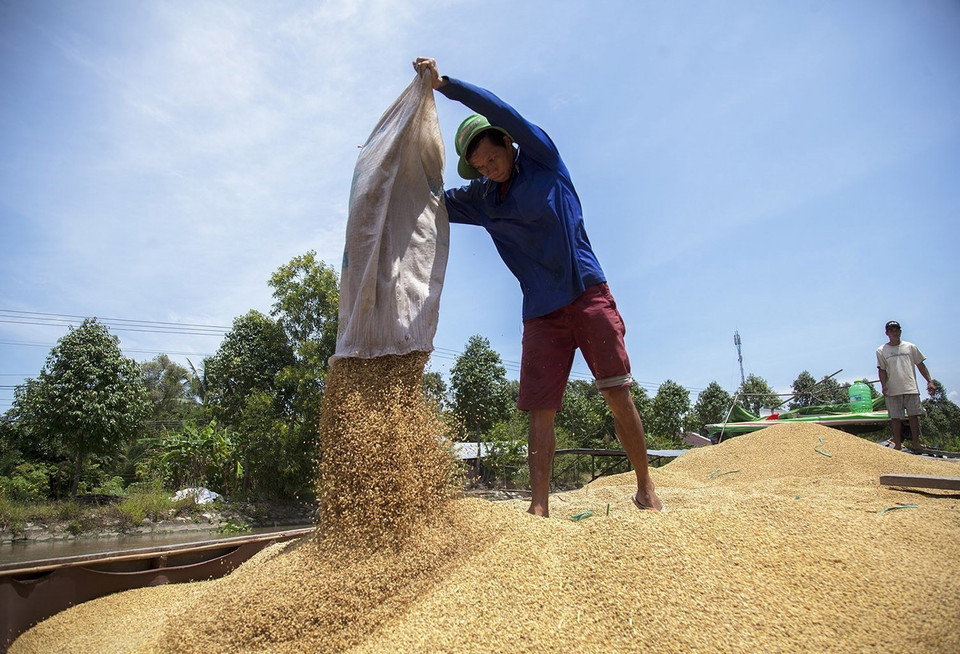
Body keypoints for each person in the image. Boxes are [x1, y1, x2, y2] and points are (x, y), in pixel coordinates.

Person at [412, 57, 662, 516]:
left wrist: (446, 86)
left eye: (493, 157)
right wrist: (391, 174)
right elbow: (430, 204)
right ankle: (539, 508)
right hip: (541, 314)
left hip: (586, 293)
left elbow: (502, 111)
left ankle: (646, 488)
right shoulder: (483, 199)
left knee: (616, 392)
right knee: (540, 408)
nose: (490, 168)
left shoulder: (544, 161)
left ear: (508, 143)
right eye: (480, 166)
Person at [876, 320, 936, 453]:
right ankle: (897, 444)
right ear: (887, 333)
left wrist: (929, 381)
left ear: (900, 331)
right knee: (895, 418)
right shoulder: (881, 350)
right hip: (892, 389)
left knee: (913, 416)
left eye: (896, 330)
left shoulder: (910, 347)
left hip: (910, 387)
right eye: (891, 330)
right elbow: (882, 370)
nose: (894, 332)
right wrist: (884, 386)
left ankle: (916, 443)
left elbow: (920, 364)